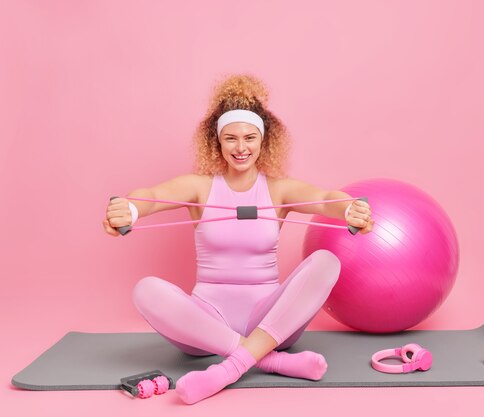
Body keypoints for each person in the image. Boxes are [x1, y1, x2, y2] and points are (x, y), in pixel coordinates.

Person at [103, 74, 374, 404]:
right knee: (145, 290)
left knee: (327, 261)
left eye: (249, 137)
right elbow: (153, 196)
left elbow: (325, 197)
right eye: (231, 138)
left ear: (264, 140)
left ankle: (228, 370)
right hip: (204, 326)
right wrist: (128, 209)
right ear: (217, 142)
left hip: (271, 322)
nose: (241, 147)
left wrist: (350, 210)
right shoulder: (199, 186)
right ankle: (269, 360)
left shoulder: (278, 189)